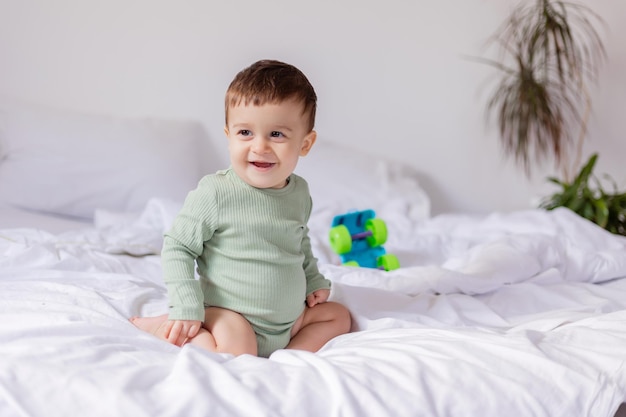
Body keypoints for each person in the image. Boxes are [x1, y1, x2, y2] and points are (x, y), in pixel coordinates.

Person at [131, 59, 351, 357]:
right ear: (229, 136)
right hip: (230, 315)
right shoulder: (217, 192)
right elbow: (178, 247)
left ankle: (288, 359)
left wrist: (313, 280)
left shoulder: (299, 193)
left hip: (289, 320)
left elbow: (299, 241)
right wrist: (186, 305)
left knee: (338, 316)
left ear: (305, 144)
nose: (259, 146)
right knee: (239, 349)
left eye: (276, 134)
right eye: (245, 133)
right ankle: (169, 326)